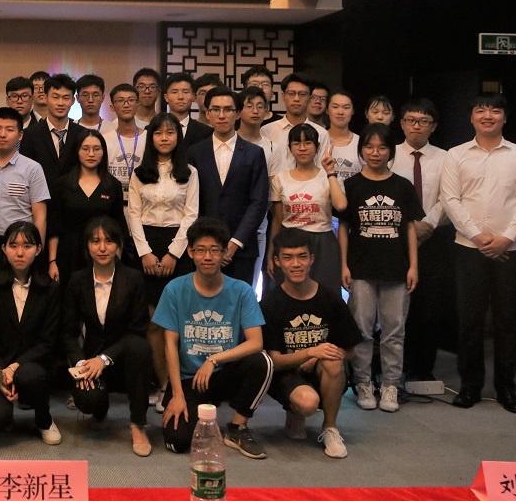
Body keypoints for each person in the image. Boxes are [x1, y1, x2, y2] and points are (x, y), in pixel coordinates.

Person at [440, 92, 516, 414]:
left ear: (504, 117)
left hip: (512, 249)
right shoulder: (456, 155)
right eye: (481, 110)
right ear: (471, 117)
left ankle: (506, 389)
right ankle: (470, 386)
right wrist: (478, 236)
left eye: (495, 111)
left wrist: (506, 238)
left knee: (507, 321)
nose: (488, 116)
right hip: (470, 248)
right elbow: (451, 199)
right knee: (469, 320)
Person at [155, 218, 273, 459]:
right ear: (190, 252)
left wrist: (214, 359)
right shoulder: (174, 289)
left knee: (262, 362)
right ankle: (196, 408)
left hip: (225, 374)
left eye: (214, 250)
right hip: (189, 379)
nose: (207, 257)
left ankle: (237, 428)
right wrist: (176, 395)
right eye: (200, 250)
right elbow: (170, 345)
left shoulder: (242, 290)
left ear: (224, 253)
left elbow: (256, 342)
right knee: (176, 441)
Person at [339, 123, 421, 414]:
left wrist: (413, 265)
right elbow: (344, 227)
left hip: (397, 269)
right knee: (361, 330)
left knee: (394, 331)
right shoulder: (351, 185)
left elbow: (410, 227)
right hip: (360, 269)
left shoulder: (403, 186)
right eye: (369, 147)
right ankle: (363, 383)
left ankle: (390, 385)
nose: (375, 153)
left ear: (390, 151)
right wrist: (343, 264)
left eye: (382, 147)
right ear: (361, 150)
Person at [259, 229, 361, 459]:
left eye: (302, 257)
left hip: (321, 369)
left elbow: (351, 349)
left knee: (333, 361)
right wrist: (310, 352)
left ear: (312, 259)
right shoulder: (270, 304)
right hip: (285, 374)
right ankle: (295, 411)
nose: (296, 264)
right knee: (308, 403)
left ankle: (330, 428)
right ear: (277, 261)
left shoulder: (330, 298)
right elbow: (275, 361)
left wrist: (317, 357)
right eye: (288, 257)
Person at [62, 216, 154, 457]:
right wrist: (81, 364)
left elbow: (137, 330)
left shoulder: (133, 278)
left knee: (141, 348)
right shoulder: (77, 280)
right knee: (87, 399)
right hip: (91, 359)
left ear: (119, 246)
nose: (102, 248)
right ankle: (99, 409)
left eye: (109, 241)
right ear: (87, 246)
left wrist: (104, 359)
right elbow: (69, 332)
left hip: (126, 356)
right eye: (95, 241)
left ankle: (138, 424)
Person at [127, 113, 198, 398]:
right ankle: (161, 383)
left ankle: (178, 385)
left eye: (170, 133)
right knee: (153, 320)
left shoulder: (190, 172)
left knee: (177, 321)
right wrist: (145, 253)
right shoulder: (139, 172)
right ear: (151, 138)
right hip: (145, 246)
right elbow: (133, 214)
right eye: (158, 133)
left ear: (178, 137)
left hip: (178, 247)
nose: (164, 138)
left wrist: (173, 254)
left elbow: (191, 215)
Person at [0, 221, 62, 445]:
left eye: (27, 246)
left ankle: (44, 420)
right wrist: (0, 374)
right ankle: (5, 410)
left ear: (39, 249)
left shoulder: (50, 288)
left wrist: (15, 367)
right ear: (4, 248)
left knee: (30, 376)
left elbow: (47, 342)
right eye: (13, 246)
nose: (20, 252)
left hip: (34, 366)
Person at [393, 98, 453, 383]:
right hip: (395, 238)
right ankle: (395, 368)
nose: (416, 126)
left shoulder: (447, 158)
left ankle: (423, 369)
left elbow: (450, 196)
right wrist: (408, 226)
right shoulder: (389, 154)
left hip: (433, 238)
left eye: (424, 121)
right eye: (411, 120)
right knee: (395, 306)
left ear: (434, 126)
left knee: (428, 306)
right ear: (402, 123)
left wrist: (428, 224)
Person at [188, 86, 270, 285]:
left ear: (238, 114)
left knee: (240, 300)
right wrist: (208, 245)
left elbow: (259, 202)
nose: (222, 115)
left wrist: (235, 242)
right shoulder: (194, 152)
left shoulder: (254, 153)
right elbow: (191, 202)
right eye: (215, 109)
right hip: (204, 249)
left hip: (242, 249)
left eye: (228, 109)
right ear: (208, 114)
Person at [0, 107, 50, 278]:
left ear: (20, 135)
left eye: (9, 129)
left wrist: (36, 252)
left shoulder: (33, 169)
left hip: (18, 248)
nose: (3, 134)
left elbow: (40, 216)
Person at [267, 124, 347, 296]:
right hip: (289, 241)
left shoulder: (329, 177)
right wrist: (270, 254)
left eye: (308, 143)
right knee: (290, 295)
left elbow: (341, 206)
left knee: (325, 295)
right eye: (297, 143)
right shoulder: (280, 179)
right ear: (290, 148)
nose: (302, 148)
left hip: (322, 242)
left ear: (317, 146)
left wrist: (330, 172)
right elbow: (277, 220)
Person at [48, 129, 127, 281]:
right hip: (69, 252)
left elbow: (119, 225)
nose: (91, 154)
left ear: (103, 152)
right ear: (76, 151)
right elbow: (55, 226)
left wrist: (117, 259)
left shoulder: (113, 185)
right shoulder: (62, 184)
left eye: (96, 149)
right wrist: (52, 261)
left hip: (102, 251)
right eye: (85, 149)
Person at [235, 87, 290, 288]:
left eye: (260, 106)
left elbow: (274, 192)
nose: (255, 111)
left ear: (266, 111)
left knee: (250, 283)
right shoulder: (228, 143)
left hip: (258, 223)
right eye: (249, 106)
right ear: (238, 111)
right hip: (226, 221)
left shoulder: (272, 148)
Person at [20, 73, 87, 191]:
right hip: (41, 199)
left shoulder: (82, 134)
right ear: (46, 98)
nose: (60, 103)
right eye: (55, 97)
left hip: (75, 199)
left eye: (66, 98)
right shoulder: (30, 134)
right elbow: (24, 172)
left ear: (73, 100)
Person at [261, 73, 330, 166]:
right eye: (291, 93)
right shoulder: (267, 131)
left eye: (302, 94)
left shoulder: (321, 133)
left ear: (310, 98)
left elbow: (322, 170)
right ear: (283, 96)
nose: (296, 99)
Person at [101, 83, 146, 203]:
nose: (126, 105)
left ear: (138, 105)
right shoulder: (104, 140)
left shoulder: (149, 139)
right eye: (120, 101)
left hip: (144, 203)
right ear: (112, 107)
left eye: (131, 100)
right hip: (112, 203)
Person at [163, 72, 212, 150]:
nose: (180, 97)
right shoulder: (154, 129)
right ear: (166, 97)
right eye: (174, 92)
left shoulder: (206, 132)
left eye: (185, 92)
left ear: (193, 96)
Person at [325, 91, 360, 187]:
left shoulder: (361, 142)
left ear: (353, 111)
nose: (340, 112)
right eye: (335, 107)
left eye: (346, 107)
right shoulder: (319, 140)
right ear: (327, 110)